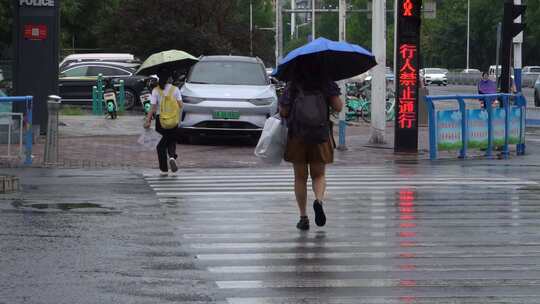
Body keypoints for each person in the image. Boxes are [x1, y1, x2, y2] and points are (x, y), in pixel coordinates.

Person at [278, 57, 344, 230]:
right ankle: (319, 200)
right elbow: (338, 106)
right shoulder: (326, 81)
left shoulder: (293, 83)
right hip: (320, 135)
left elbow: (283, 111)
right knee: (319, 175)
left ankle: (303, 217)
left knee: (300, 177)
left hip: (297, 136)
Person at [145, 67, 183, 176]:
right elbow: (181, 105)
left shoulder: (156, 90)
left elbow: (152, 108)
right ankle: (171, 156)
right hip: (173, 119)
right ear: (169, 78)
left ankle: (164, 169)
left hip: (160, 120)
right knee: (172, 140)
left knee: (161, 145)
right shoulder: (175, 89)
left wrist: (148, 121)